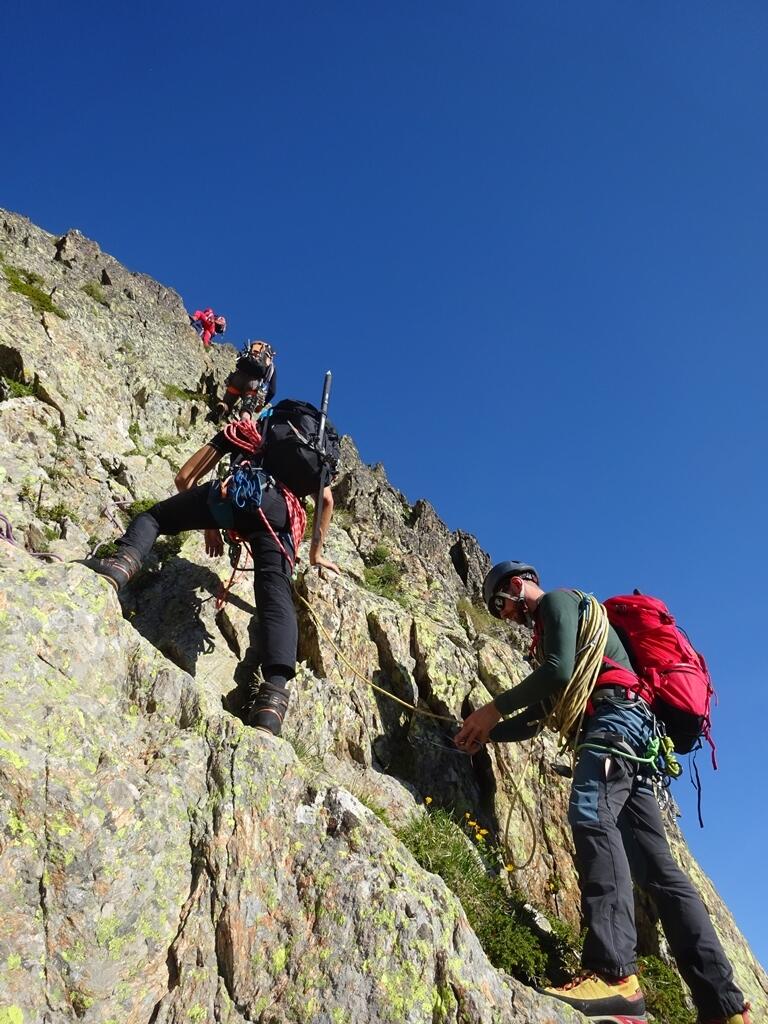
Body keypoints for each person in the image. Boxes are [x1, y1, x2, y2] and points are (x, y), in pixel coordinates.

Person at [454, 562, 751, 1024]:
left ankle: (614, 975)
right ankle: (725, 1007)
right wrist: (487, 733)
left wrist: (491, 710)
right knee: (657, 870)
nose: (505, 615)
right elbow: (541, 714)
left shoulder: (556, 602)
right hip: (634, 734)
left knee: (591, 814)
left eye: (500, 605)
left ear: (516, 585)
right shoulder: (553, 633)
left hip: (614, 723)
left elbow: (558, 673)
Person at [82, 418, 339, 736]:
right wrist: (316, 555)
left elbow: (185, 477)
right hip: (281, 515)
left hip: (237, 493)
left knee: (153, 518)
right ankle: (271, 705)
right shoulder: (309, 458)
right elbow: (327, 500)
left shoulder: (246, 430)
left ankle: (121, 566)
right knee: (275, 595)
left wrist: (211, 524)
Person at [209, 340, 277, 424]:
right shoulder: (271, 366)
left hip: (237, 379)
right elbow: (272, 391)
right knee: (247, 409)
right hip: (253, 385)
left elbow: (238, 361)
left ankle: (222, 407)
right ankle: (244, 422)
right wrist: (262, 405)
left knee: (227, 402)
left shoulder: (249, 353)